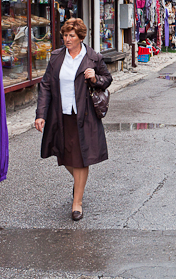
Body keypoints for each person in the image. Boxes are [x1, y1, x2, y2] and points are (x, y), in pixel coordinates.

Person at [34, 18, 113, 221]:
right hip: (61, 115)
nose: (67, 39)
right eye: (65, 35)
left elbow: (107, 79)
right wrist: (41, 114)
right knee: (64, 155)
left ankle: (77, 203)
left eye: (71, 36)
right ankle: (79, 184)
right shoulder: (56, 57)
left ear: (80, 37)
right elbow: (45, 86)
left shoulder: (93, 57)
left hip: (84, 115)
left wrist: (95, 78)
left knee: (80, 157)